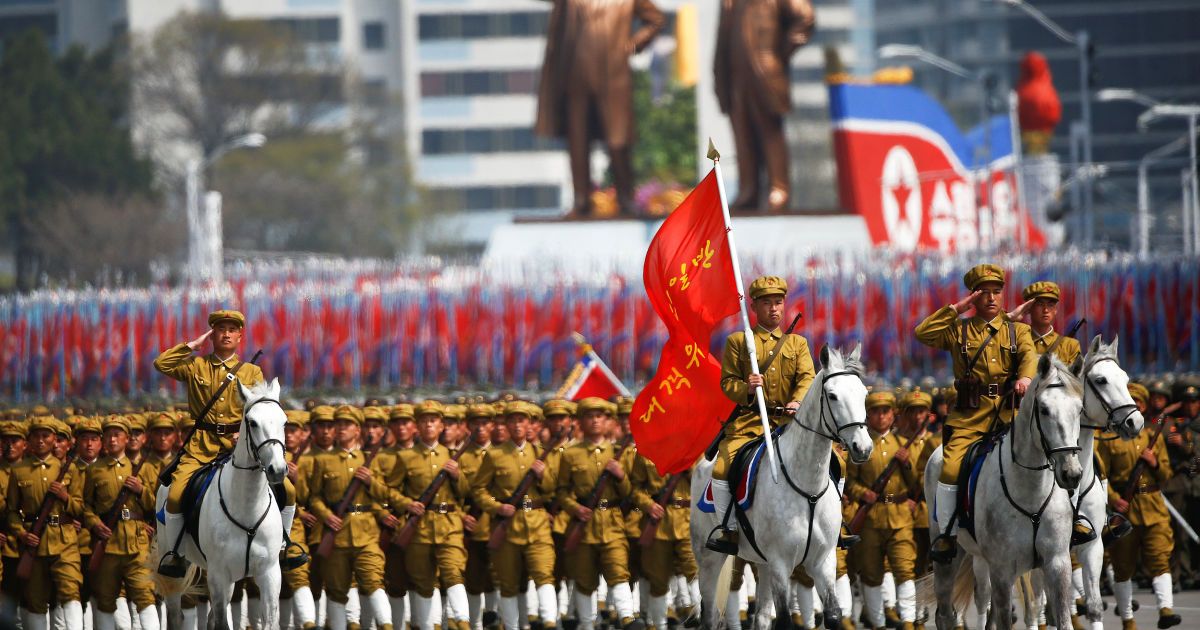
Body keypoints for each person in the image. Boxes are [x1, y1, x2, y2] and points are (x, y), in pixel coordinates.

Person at [152, 309, 305, 576]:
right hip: (201, 447)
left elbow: (259, 411)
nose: (226, 334)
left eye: (232, 330)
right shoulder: (196, 366)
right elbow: (161, 364)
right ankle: (175, 554)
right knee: (175, 495)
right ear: (212, 335)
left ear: (239, 337)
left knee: (288, 491)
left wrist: (242, 433)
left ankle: (284, 546)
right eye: (220, 329)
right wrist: (192, 346)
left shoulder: (251, 371)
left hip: (239, 447)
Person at [914, 264, 1036, 562]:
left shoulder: (1017, 330)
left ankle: (1071, 519)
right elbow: (923, 333)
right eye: (984, 293)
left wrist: (1025, 378)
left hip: (1011, 416)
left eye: (997, 292)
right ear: (973, 296)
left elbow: (1029, 357)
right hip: (970, 418)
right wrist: (956, 309)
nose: (992, 298)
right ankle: (947, 533)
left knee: (1053, 453)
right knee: (950, 468)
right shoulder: (959, 330)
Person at [710, 275, 815, 554]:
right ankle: (728, 528)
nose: (774, 308)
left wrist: (797, 400)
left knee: (835, 463)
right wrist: (746, 387)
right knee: (721, 469)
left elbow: (807, 377)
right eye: (766, 303)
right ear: (754, 306)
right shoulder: (738, 341)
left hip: (790, 423)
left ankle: (834, 524)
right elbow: (727, 383)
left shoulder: (797, 344)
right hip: (750, 422)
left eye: (778, 302)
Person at [534, 0, 665, 217]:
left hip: (613, 75)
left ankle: (625, 198)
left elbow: (656, 19)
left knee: (618, 140)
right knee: (578, 140)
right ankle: (581, 200)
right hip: (575, 75)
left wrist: (633, 45)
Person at [1097, 387, 1181, 630]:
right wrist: (1113, 499)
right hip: (1125, 511)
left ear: (1143, 407)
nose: (1135, 405)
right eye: (1130, 401)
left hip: (1154, 507)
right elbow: (1101, 476)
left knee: (1160, 558)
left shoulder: (1153, 437)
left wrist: (1154, 462)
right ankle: (1128, 619)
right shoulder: (1110, 440)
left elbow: (1166, 474)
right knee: (1122, 567)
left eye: (1138, 402)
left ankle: (1166, 610)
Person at [555, 397, 642, 630]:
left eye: (599, 416)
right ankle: (586, 623)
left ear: (607, 421)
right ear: (581, 422)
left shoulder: (619, 452)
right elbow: (562, 491)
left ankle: (627, 617)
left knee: (618, 570)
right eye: (589, 417)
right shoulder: (570, 454)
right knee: (584, 578)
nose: (595, 421)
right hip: (584, 525)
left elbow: (630, 492)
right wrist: (575, 508)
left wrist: (620, 476)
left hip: (612, 521)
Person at [471, 402, 559, 630]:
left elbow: (551, 489)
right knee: (508, 582)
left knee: (544, 574)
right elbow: (479, 490)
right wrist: (496, 507)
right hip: (508, 526)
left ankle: (549, 621)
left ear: (529, 424)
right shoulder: (494, 455)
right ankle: (511, 625)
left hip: (537, 523)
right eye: (512, 421)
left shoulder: (540, 453)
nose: (517, 425)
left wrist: (542, 475)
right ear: (506, 425)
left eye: (522, 420)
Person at [307, 405, 394, 630]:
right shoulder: (324, 460)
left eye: (347, 424)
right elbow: (314, 497)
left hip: (367, 533)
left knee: (374, 580)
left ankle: (386, 625)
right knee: (336, 589)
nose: (341, 428)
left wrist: (370, 481)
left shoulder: (370, 459)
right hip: (337, 534)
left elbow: (385, 494)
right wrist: (326, 515)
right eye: (339, 424)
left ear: (357, 429)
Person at [386, 400, 471, 630]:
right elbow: (390, 490)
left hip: (449, 525)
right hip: (420, 528)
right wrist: (407, 504)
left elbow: (465, 492)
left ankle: (463, 621)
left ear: (441, 426)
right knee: (423, 582)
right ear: (417, 426)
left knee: (453, 572)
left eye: (433, 421)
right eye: (424, 421)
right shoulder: (406, 457)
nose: (429, 425)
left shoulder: (452, 456)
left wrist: (457, 476)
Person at [846, 391, 919, 630]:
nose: (880, 416)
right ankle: (878, 623)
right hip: (871, 518)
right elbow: (850, 481)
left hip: (900, 515)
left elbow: (915, 484)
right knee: (871, 573)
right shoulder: (860, 445)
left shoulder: (902, 444)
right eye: (875, 411)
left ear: (893, 415)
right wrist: (862, 493)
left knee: (905, 570)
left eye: (885, 411)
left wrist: (907, 464)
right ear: (867, 415)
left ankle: (908, 621)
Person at [5, 416, 85, 629]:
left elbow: (80, 509)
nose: (41, 440)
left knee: (71, 591)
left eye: (46, 436)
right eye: (36, 436)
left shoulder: (69, 469)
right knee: (36, 599)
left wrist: (65, 497)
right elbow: (11, 512)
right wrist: (22, 534)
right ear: (29, 440)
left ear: (54, 439)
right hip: (34, 541)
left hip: (64, 540)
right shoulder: (19, 470)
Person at [81, 415, 160, 630]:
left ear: (127, 438)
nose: (112, 440)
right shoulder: (94, 470)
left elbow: (155, 504)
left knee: (145, 596)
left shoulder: (144, 468)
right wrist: (94, 523)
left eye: (117, 435)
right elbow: (86, 505)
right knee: (106, 599)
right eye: (108, 436)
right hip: (108, 544)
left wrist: (141, 490)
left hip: (136, 543)